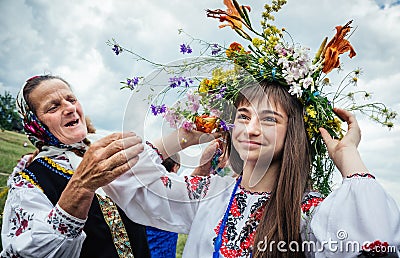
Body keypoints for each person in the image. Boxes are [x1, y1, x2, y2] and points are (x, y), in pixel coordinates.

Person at [100, 80, 400, 257]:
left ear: (293, 133)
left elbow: (374, 244)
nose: (251, 129)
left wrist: (347, 154)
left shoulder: (310, 211)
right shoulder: (210, 194)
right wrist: (184, 136)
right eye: (243, 116)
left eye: (269, 119)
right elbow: (127, 177)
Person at [0, 75, 150, 258]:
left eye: (71, 99)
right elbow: (32, 252)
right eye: (53, 107)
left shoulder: (102, 147)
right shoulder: (29, 183)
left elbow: (151, 163)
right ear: (36, 124)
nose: (70, 108)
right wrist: (83, 185)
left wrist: (184, 135)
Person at [146, 153, 181, 258]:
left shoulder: (147, 184)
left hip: (144, 247)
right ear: (175, 167)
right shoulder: (176, 187)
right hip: (164, 250)